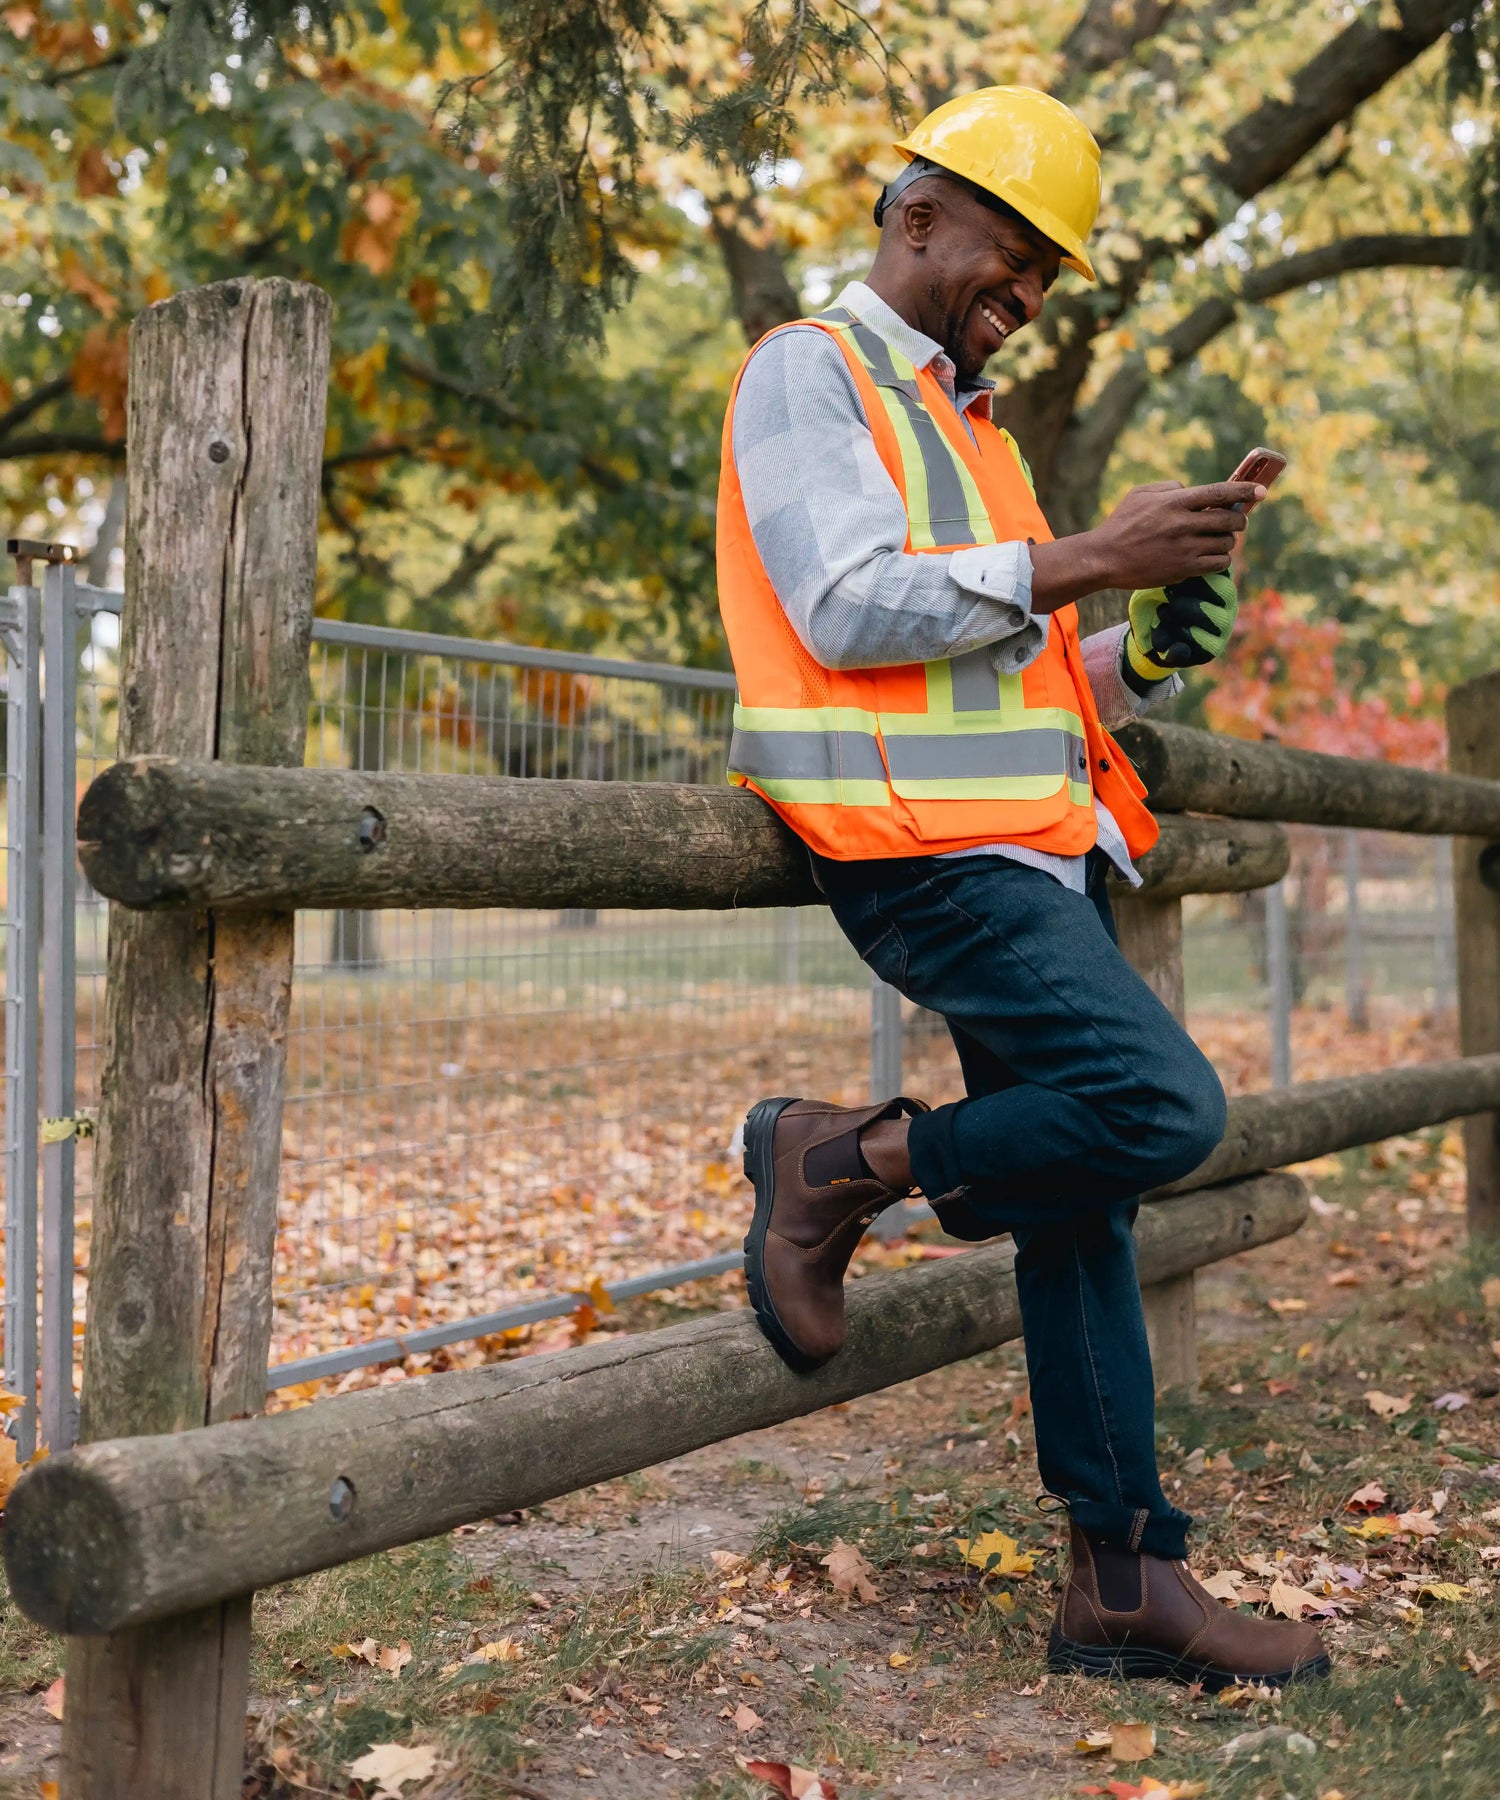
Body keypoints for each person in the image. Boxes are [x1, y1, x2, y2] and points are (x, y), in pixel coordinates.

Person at [717, 85, 1329, 1692]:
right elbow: (848, 608)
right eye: (1017, 251)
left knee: (1081, 1203)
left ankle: (1121, 1579)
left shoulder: (974, 430)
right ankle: (844, 1158)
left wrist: (1155, 640)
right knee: (1165, 1109)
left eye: (1052, 271)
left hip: (1018, 851)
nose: (1033, 293)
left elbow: (1027, 669)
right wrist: (1095, 558)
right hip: (920, 861)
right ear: (916, 216)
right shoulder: (809, 373)